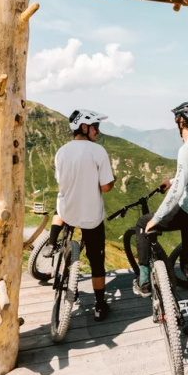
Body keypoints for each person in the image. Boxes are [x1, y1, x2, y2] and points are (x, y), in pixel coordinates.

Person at [135, 102, 188, 336]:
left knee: (143, 223)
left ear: (181, 120)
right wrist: (172, 180)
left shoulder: (186, 149)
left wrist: (157, 218)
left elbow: (178, 191)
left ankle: (143, 281)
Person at [51, 109, 115, 321]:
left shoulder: (61, 151)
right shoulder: (98, 151)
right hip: (91, 216)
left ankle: (55, 250)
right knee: (96, 261)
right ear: (85, 127)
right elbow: (105, 187)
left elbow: (60, 180)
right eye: (96, 126)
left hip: (68, 211)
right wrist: (113, 180)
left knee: (61, 215)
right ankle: (99, 305)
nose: (98, 131)